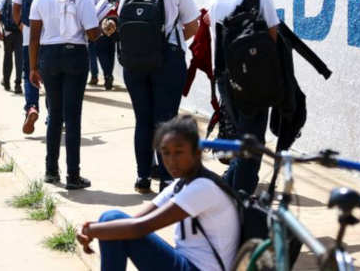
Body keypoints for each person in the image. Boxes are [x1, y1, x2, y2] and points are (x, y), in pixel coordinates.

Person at [76, 115, 240, 271]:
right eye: (165, 153)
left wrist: (92, 231)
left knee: (112, 220)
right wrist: (94, 228)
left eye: (179, 152)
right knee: (112, 222)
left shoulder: (203, 188)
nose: (171, 160)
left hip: (196, 268)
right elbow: (136, 221)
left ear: (197, 152)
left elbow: (140, 227)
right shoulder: (181, 184)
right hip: (185, 263)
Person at [117, 0, 199, 193]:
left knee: (142, 121)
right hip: (167, 62)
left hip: (134, 64)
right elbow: (193, 24)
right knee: (166, 121)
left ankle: (143, 177)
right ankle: (166, 177)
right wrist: (170, 42)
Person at [207, 0, 280, 195]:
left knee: (240, 138)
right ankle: (241, 199)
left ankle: (229, 188)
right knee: (253, 143)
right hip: (255, 82)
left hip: (225, 78)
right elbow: (273, 38)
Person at [28, 0, 101, 189]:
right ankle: (73, 175)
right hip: (74, 55)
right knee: (73, 116)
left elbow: (34, 35)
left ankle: (51, 171)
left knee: (55, 116)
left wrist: (32, 67)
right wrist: (104, 27)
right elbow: (92, 33)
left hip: (48, 57)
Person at [12, 0, 57, 134]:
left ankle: (31, 107)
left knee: (29, 74)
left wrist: (23, 27)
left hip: (28, 38)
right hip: (50, 39)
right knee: (51, 78)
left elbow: (16, 8)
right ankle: (52, 117)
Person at [89, 0, 119, 90]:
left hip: (100, 28)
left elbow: (91, 11)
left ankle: (107, 75)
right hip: (114, 26)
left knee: (101, 52)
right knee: (111, 51)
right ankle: (109, 74)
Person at [0, 0, 23, 94]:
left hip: (8, 33)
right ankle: (18, 84)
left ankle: (6, 81)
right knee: (19, 59)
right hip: (20, 32)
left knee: (7, 58)